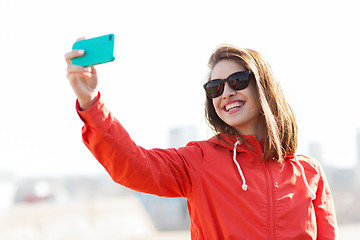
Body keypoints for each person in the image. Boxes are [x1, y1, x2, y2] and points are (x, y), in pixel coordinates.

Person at [65, 43, 338, 239]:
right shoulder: (199, 161)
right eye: (215, 88)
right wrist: (91, 102)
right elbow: (134, 165)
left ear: (262, 86)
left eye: (238, 80)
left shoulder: (308, 172)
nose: (226, 93)